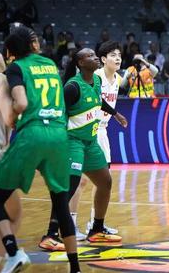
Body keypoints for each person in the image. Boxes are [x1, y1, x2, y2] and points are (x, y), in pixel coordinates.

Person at [0, 25, 80, 272]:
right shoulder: (51, 65)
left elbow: (21, 103)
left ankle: (13, 252)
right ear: (31, 44)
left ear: (11, 51)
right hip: (59, 135)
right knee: (61, 204)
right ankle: (75, 268)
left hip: (33, 134)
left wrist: (14, 111)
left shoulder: (17, 68)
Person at [41, 48, 125, 250]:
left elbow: (99, 100)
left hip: (91, 142)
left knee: (105, 182)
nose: (95, 58)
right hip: (73, 142)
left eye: (95, 55)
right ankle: (50, 234)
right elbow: (59, 113)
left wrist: (115, 114)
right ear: (80, 63)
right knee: (70, 185)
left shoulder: (96, 80)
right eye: (90, 56)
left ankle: (96, 229)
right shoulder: (72, 87)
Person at [69, 41, 126, 240]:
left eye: (119, 55)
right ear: (103, 59)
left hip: (101, 130)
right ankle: (70, 223)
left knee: (103, 180)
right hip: (85, 131)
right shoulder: (96, 76)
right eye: (113, 55)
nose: (118, 58)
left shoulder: (117, 78)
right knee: (80, 181)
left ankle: (96, 224)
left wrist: (116, 114)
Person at [0, 64, 22, 270]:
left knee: (6, 212)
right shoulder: (0, 80)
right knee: (11, 212)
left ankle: (6, 258)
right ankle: (11, 254)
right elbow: (10, 119)